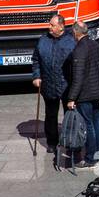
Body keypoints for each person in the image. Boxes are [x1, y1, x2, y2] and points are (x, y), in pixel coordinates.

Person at [31, 13, 76, 154]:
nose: (49, 27)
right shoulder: (43, 40)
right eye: (49, 24)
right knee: (50, 115)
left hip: (67, 85)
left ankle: (71, 142)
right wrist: (36, 76)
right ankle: (52, 142)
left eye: (52, 25)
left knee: (70, 116)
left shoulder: (71, 41)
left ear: (61, 26)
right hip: (49, 85)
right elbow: (36, 60)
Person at [64, 20, 99, 168]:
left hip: (85, 94)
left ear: (75, 33)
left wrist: (71, 98)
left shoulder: (79, 50)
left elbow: (78, 77)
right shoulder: (95, 45)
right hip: (97, 91)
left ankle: (90, 157)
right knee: (96, 122)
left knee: (88, 126)